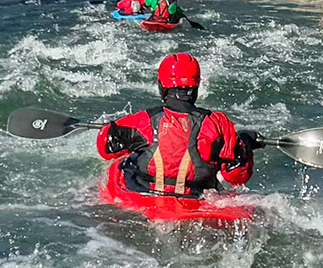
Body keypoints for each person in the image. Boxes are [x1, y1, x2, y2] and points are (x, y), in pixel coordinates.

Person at [97, 52, 256, 197]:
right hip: (196, 201)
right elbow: (237, 177)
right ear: (196, 87)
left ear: (162, 86)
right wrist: (245, 143)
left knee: (127, 161)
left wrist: (112, 129)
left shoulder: (144, 120)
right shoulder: (218, 124)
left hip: (145, 196)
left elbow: (105, 148)